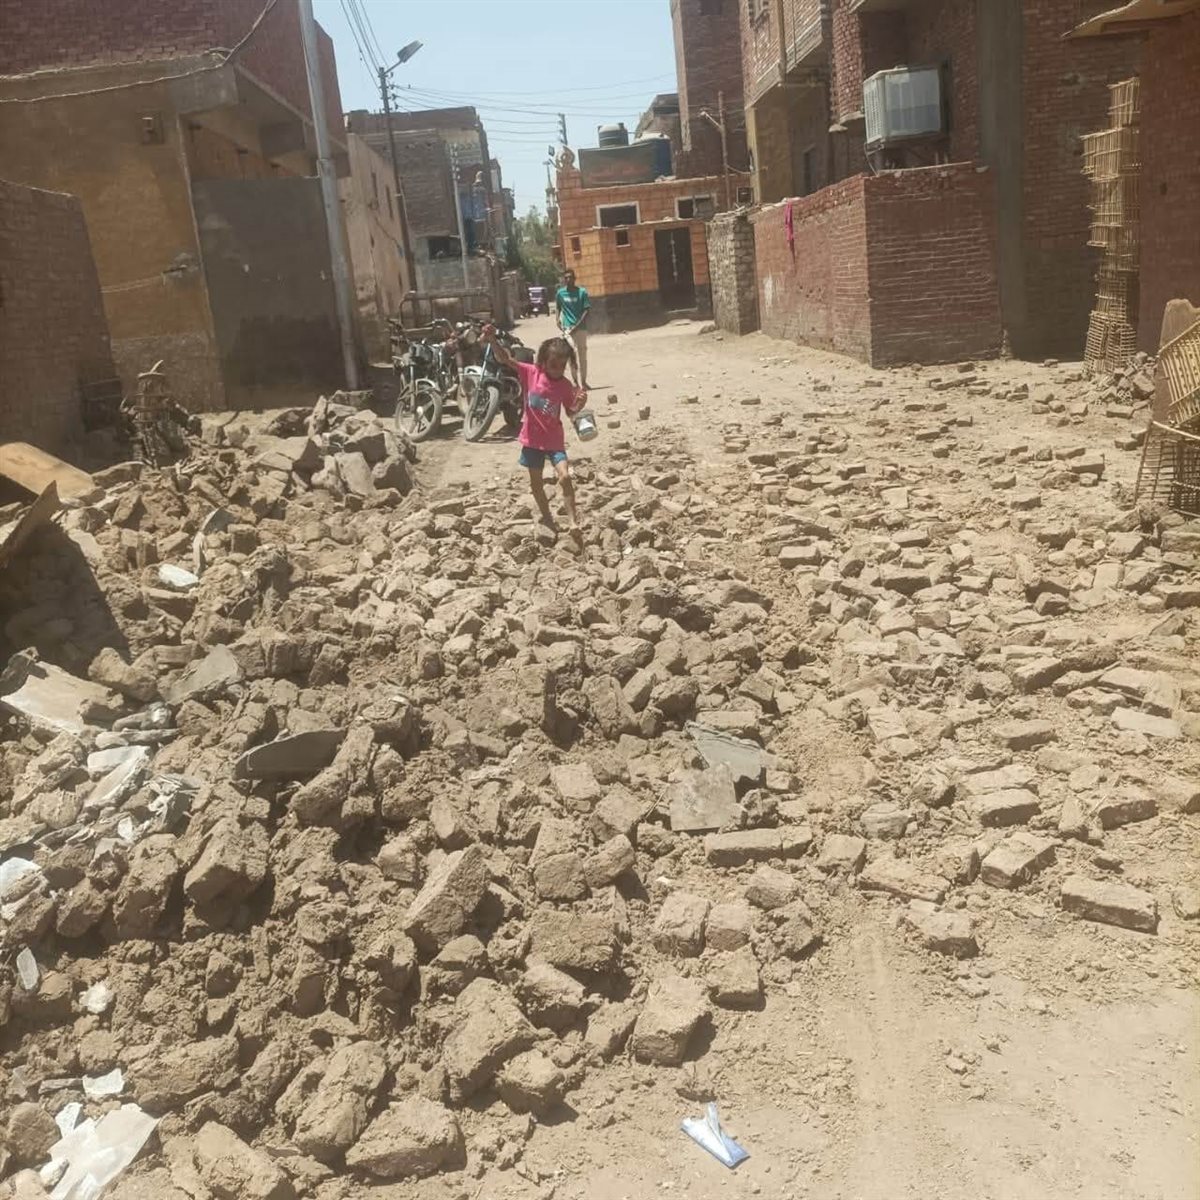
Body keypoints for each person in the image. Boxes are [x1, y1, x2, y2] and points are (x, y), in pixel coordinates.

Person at [482, 325, 586, 534]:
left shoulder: (565, 385)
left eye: (562, 366)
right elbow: (505, 359)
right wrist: (492, 340)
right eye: (553, 365)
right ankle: (547, 518)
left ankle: (573, 522)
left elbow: (570, 412)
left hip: (554, 441)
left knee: (565, 477)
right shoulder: (532, 373)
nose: (557, 370)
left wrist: (579, 405)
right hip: (532, 441)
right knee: (536, 484)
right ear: (543, 362)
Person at [555, 269, 591, 390]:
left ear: (575, 278)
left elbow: (586, 310)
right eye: (566, 277)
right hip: (567, 329)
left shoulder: (582, 292)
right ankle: (575, 382)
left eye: (570, 277)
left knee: (582, 356)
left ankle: (584, 382)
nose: (568, 279)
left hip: (581, 328)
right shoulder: (560, 293)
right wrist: (557, 319)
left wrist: (577, 326)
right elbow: (558, 307)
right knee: (572, 355)